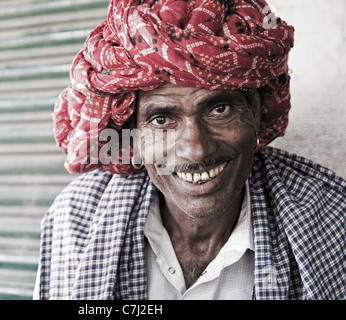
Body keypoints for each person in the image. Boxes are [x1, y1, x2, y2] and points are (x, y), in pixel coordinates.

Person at [35, 0, 345, 300]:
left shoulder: (332, 221)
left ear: (258, 110)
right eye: (161, 119)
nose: (196, 150)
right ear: (132, 136)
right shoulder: (74, 222)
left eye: (219, 109)